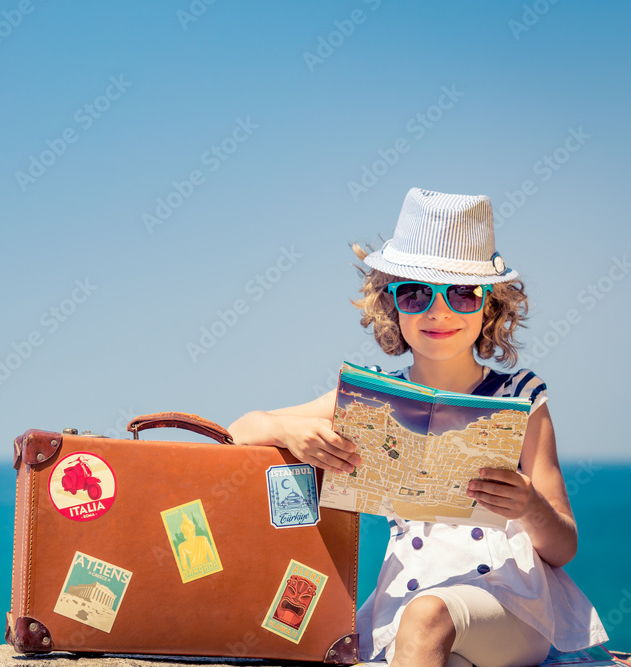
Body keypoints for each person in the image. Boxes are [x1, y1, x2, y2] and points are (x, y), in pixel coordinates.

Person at [228, 188, 608, 667]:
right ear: (392, 303)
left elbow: (563, 546)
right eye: (415, 292)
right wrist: (289, 434)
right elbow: (243, 428)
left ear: (490, 306)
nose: (438, 310)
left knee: (429, 616)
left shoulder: (523, 397)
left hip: (511, 605)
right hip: (405, 600)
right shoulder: (369, 398)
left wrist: (529, 505)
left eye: (463, 293)